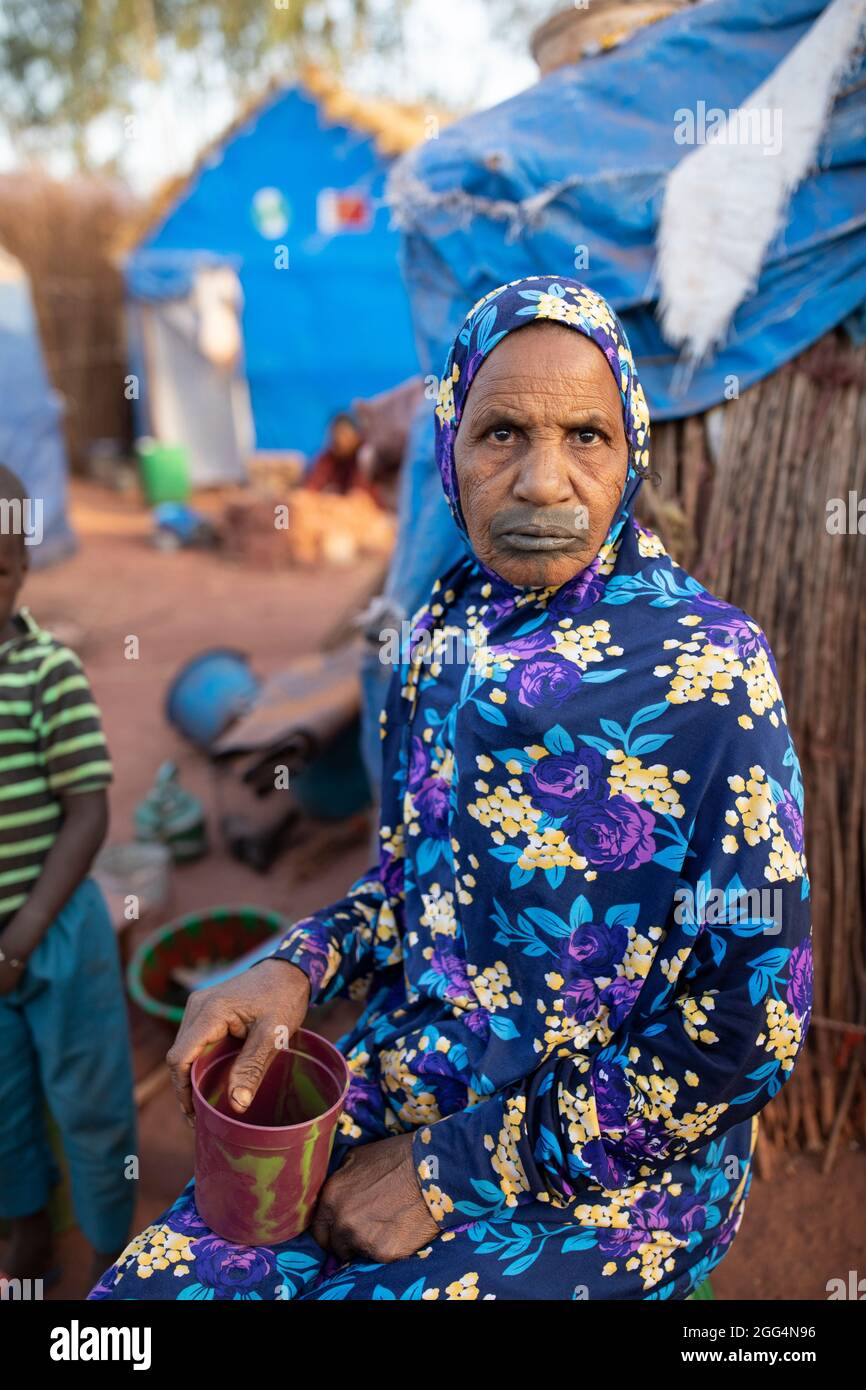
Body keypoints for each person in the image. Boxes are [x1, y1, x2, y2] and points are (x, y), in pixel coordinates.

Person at [92, 277, 811, 1301]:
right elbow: (415, 883)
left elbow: (753, 1022)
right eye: (501, 434)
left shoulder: (710, 674)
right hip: (421, 1067)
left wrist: (453, 1169)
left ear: (632, 449)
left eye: (586, 436)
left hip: (607, 1167)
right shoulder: (443, 631)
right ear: (447, 449)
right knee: (147, 1295)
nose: (540, 481)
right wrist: (297, 963)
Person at [0, 465, 136, 1289]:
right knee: (6, 1106)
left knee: (90, 1102)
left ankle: (109, 1246)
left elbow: (87, 813)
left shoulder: (46, 673)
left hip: (54, 936)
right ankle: (27, 1231)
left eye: (4, 567)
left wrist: (19, 938)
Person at [303, 411, 369, 496]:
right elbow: (312, 486)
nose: (340, 439)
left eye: (344, 434)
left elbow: (361, 495)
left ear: (356, 435)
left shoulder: (365, 456)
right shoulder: (328, 458)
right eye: (336, 435)